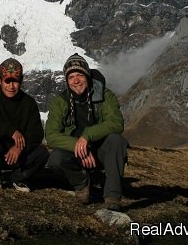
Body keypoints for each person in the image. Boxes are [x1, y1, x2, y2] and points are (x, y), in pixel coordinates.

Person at [45, 53, 128, 211]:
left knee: (117, 141)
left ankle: (112, 196)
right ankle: (82, 183)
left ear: (87, 76)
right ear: (66, 81)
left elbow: (116, 123)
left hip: (101, 151)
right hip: (76, 153)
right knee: (55, 158)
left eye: (79, 75)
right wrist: (79, 145)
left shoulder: (105, 96)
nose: (75, 80)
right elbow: (51, 136)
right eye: (71, 77)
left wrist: (87, 136)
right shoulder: (60, 102)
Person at [0, 58, 48, 192]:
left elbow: (36, 134)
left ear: (21, 81)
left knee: (42, 153)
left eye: (15, 81)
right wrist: (11, 131)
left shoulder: (29, 103)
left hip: (17, 155)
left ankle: (19, 177)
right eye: (7, 81)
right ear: (0, 80)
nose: (11, 86)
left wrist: (19, 147)